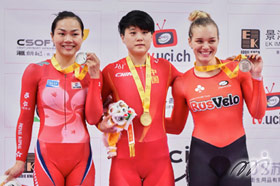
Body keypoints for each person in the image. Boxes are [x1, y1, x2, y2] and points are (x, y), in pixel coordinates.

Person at [165, 10, 267, 186]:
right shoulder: (183, 82)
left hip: (237, 154)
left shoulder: (236, 70)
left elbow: (258, 113)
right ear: (189, 42)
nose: (206, 47)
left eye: (211, 41)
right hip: (201, 157)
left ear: (218, 40)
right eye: (199, 41)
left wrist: (256, 76)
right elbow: (175, 126)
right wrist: (144, 117)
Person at [3, 11, 103, 186]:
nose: (68, 40)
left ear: (82, 36)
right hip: (47, 158)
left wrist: (95, 78)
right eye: (62, 33)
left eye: (75, 34)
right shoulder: (36, 70)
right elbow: (25, 118)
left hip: (82, 160)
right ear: (52, 36)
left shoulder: (91, 72)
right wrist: (20, 159)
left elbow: (94, 118)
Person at [97, 10, 181, 186]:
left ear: (152, 36)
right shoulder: (111, 71)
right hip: (124, 161)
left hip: (160, 162)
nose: (139, 38)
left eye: (144, 32)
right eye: (133, 33)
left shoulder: (165, 67)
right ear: (122, 37)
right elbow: (95, 107)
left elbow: (192, 82)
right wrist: (101, 123)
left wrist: (217, 68)